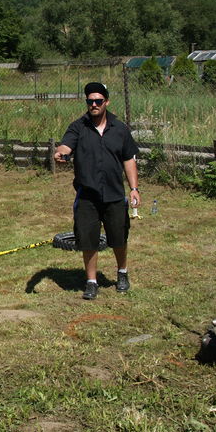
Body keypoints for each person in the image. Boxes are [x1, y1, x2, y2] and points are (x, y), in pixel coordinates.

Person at [53, 83, 140, 300]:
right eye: (90, 101)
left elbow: (129, 159)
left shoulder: (119, 129)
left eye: (98, 101)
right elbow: (65, 146)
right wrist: (61, 153)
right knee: (88, 239)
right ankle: (91, 282)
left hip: (114, 194)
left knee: (119, 237)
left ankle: (122, 273)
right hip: (87, 195)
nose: (94, 104)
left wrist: (134, 189)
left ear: (106, 102)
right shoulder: (78, 127)